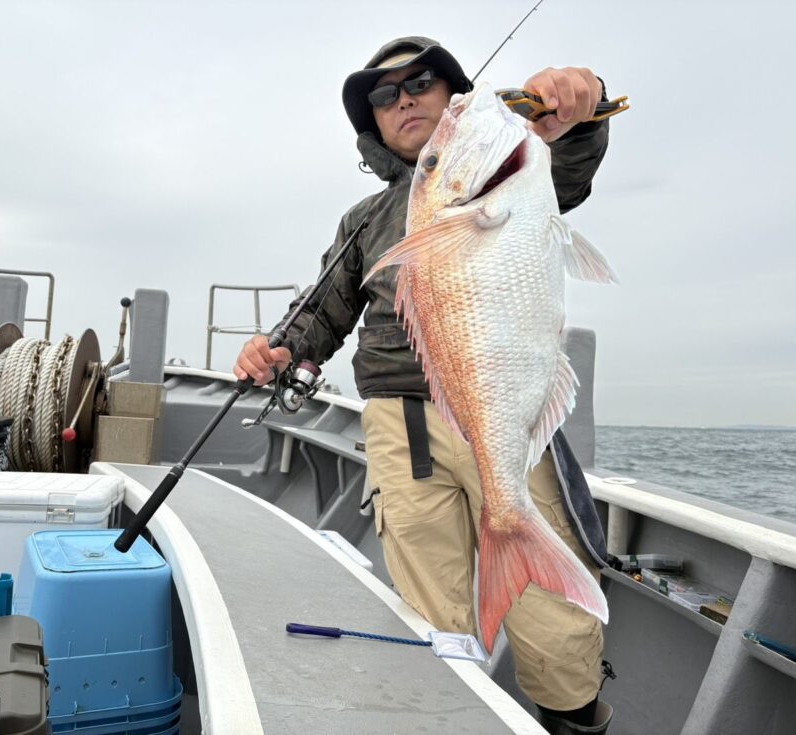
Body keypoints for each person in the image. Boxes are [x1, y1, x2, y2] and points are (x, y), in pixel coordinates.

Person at [234, 36, 614, 734]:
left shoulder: (518, 165)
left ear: (452, 97)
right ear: (371, 122)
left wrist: (583, 98)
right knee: (431, 620)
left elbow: (576, 157)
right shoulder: (364, 222)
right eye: (384, 95)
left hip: (505, 418)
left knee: (555, 627)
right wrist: (280, 348)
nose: (404, 99)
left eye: (422, 83)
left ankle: (575, 717)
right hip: (399, 429)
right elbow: (322, 310)